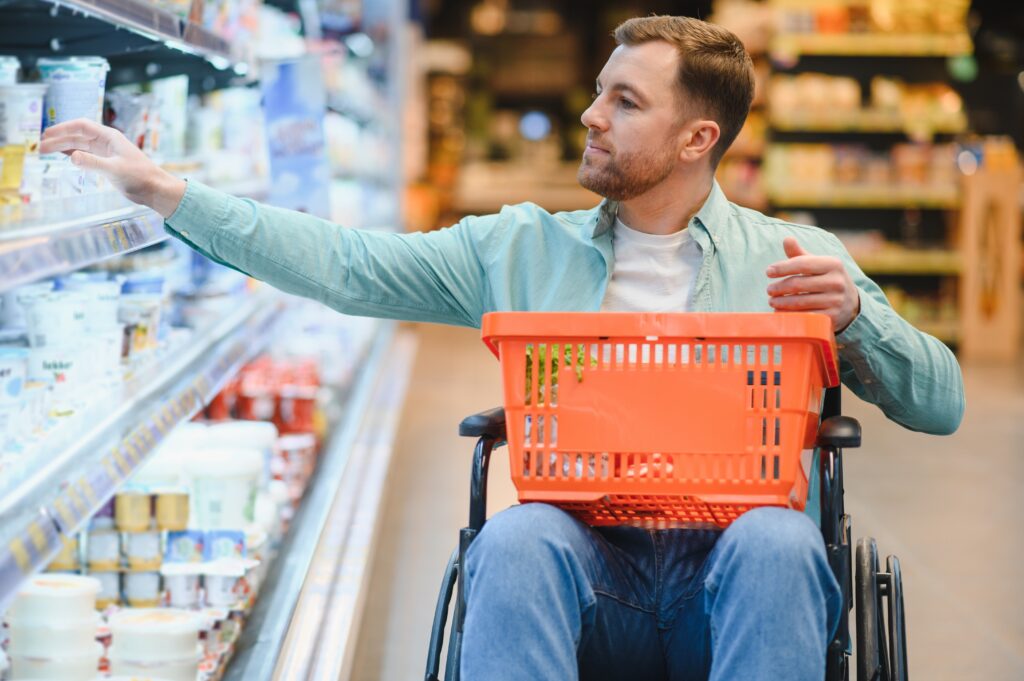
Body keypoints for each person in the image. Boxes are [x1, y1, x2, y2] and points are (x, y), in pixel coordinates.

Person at [41, 15, 964, 681]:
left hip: (734, 580)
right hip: (582, 572)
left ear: (698, 137)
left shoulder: (797, 260)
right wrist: (169, 192)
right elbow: (348, 264)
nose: (591, 115)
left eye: (624, 100)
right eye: (599, 90)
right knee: (516, 534)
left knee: (778, 540)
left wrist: (856, 321)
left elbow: (940, 401)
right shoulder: (519, 246)